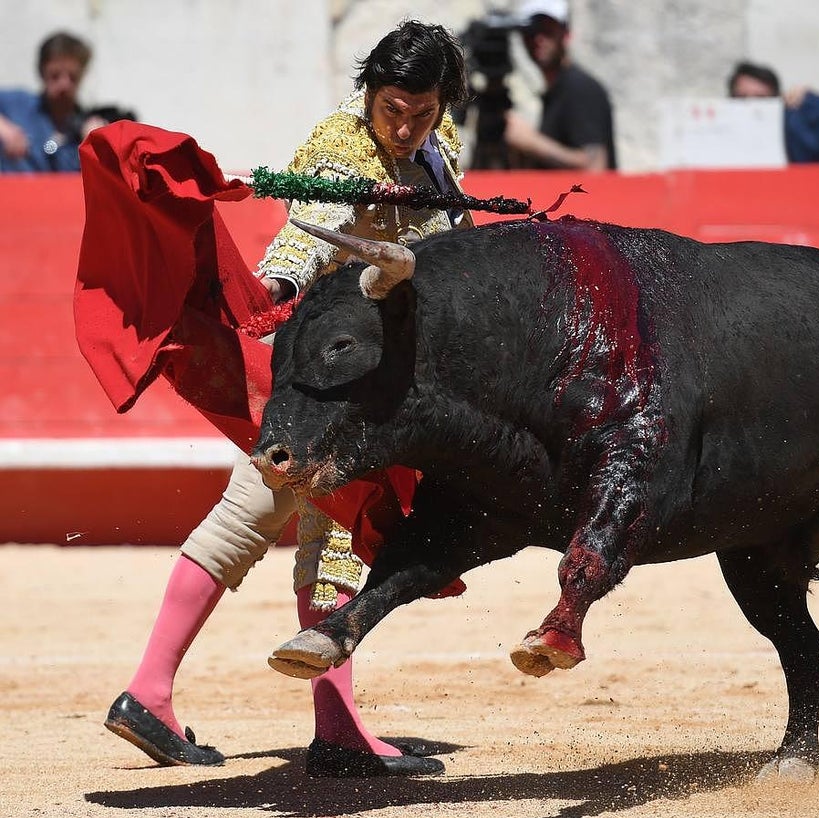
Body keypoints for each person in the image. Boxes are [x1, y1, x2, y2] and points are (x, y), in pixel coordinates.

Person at [103, 19, 473, 779]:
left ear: (444, 105)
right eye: (390, 107)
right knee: (334, 531)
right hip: (331, 385)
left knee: (247, 513)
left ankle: (149, 692)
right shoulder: (341, 145)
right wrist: (271, 286)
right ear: (368, 91)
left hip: (370, 381)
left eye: (420, 112)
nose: (402, 126)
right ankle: (334, 731)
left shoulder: (445, 151)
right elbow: (308, 232)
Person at [501, 0, 616, 171]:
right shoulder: (555, 90)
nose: (538, 39)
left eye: (548, 30)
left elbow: (595, 166)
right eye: (531, 31)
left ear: (566, 33)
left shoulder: (580, 88)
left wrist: (530, 142)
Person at [0, 31, 113, 173]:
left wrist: (95, 146)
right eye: (55, 75)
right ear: (42, 72)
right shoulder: (17, 105)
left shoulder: (85, 128)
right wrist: (4, 129)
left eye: (72, 77)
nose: (64, 85)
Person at [727, 60, 819, 164]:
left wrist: (811, 103)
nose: (751, 106)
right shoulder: (719, 129)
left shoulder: (795, 125)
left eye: (761, 99)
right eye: (742, 98)